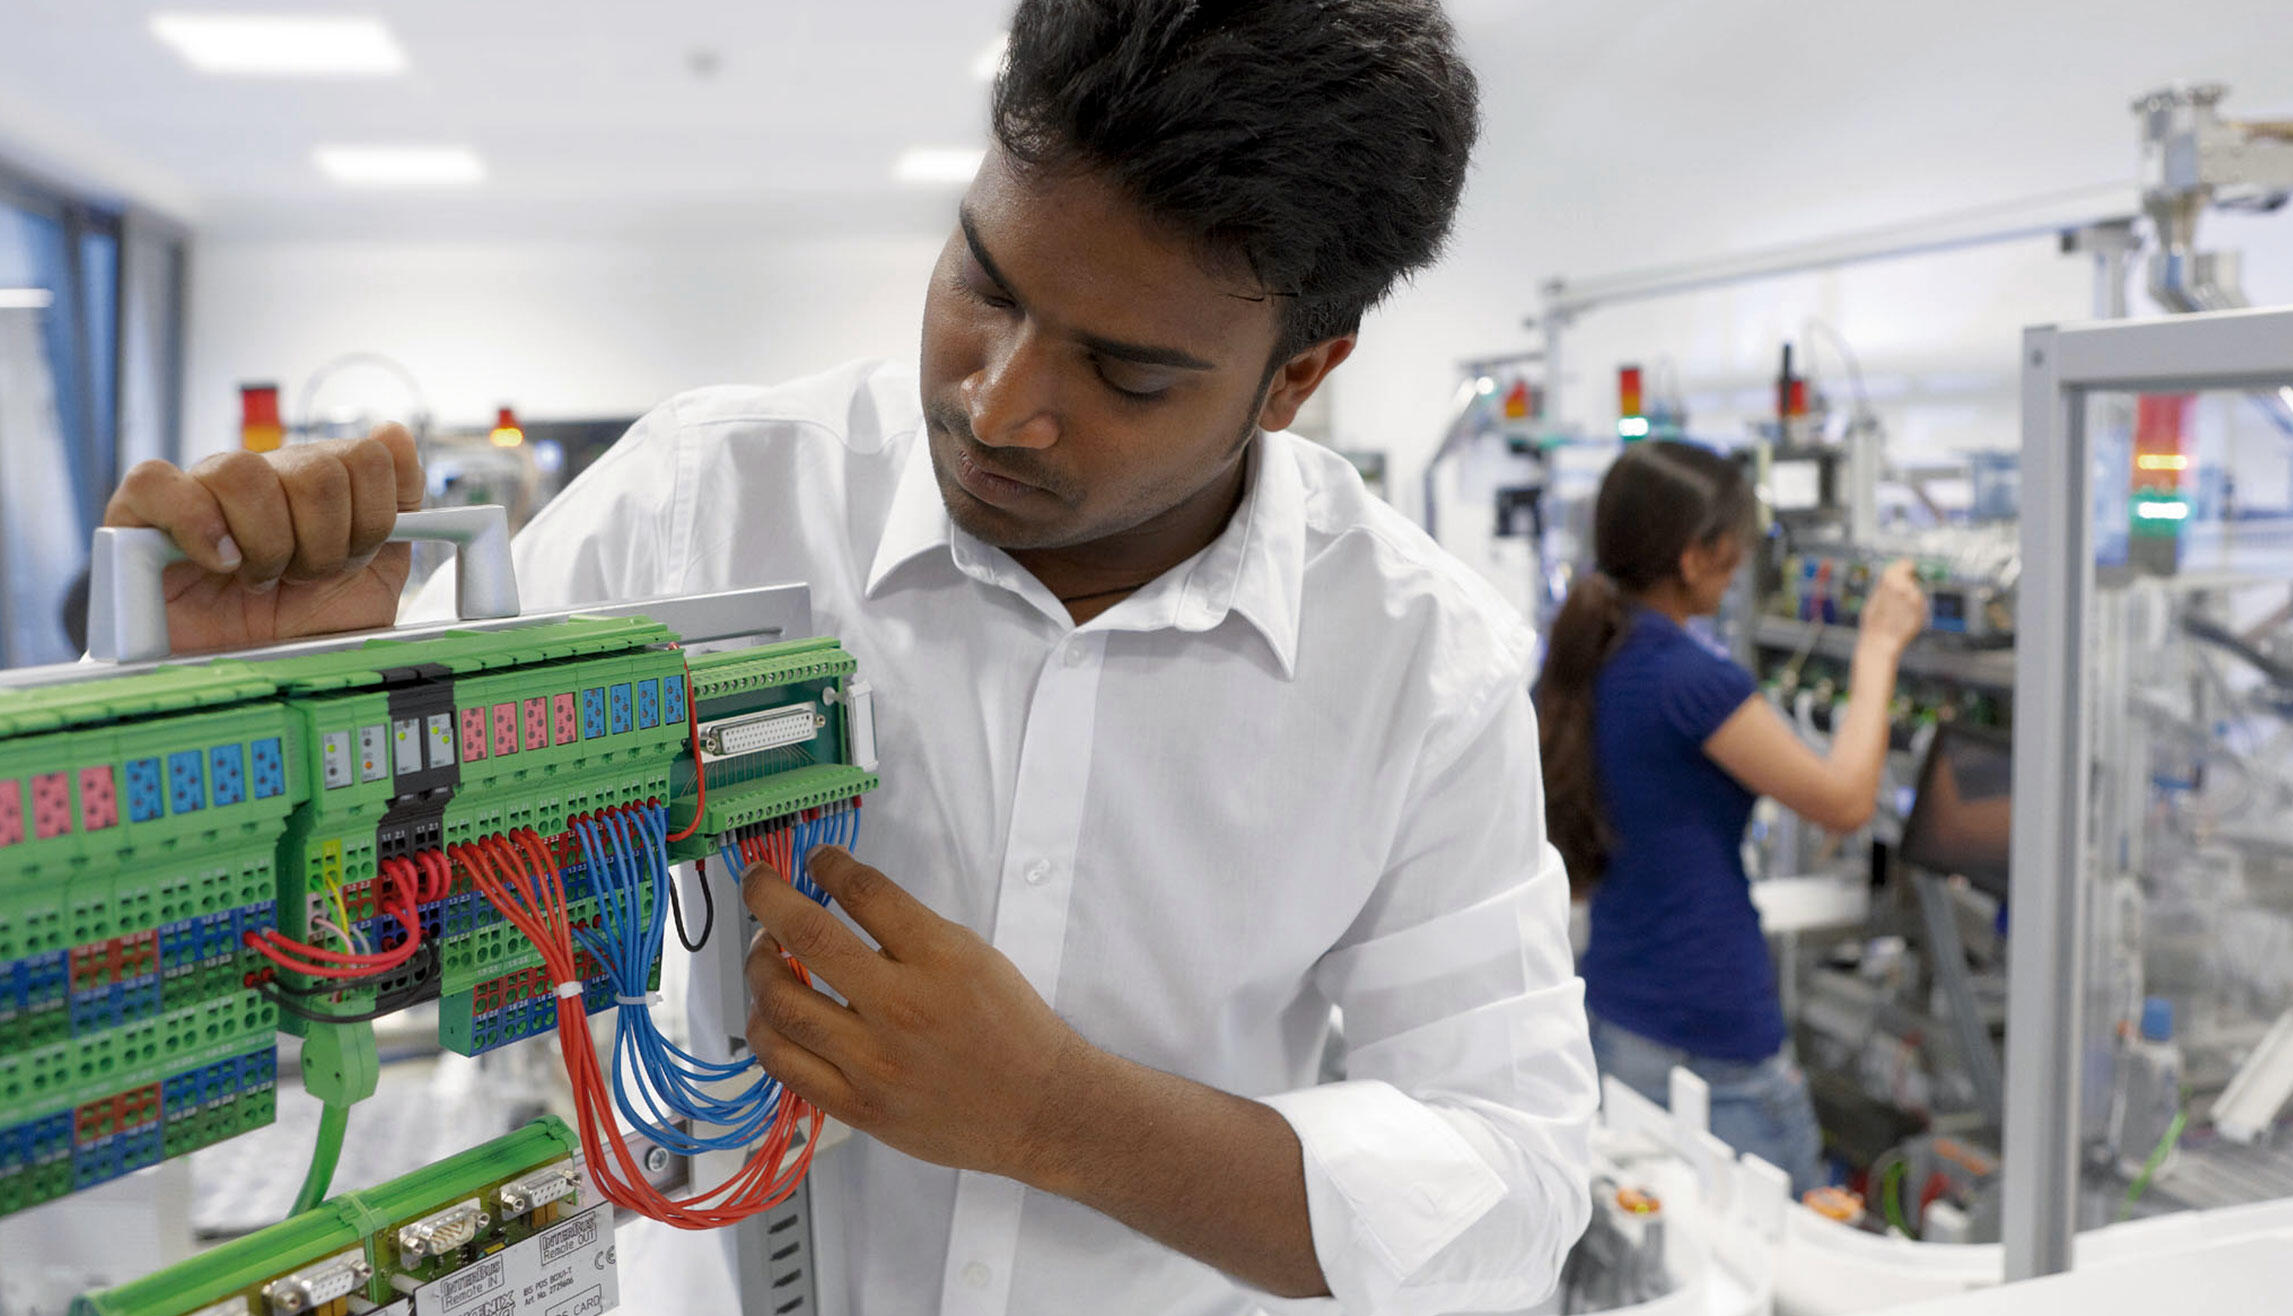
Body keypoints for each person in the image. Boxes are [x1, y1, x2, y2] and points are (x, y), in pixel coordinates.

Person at [99, 2, 1599, 1312]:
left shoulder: (1419, 659)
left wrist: (1060, 1116)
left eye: (1127, 372)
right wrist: (239, 698)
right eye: (986, 284)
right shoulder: (708, 498)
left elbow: (1515, 1181)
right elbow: (358, 894)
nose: (1000, 405)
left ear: (1300, 378)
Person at [1535, 440, 1926, 1194]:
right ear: (1694, 556)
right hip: (1710, 1029)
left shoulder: (1592, 654)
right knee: (1780, 1259)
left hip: (1619, 1012)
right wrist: (1878, 646)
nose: (1745, 562)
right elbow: (1844, 801)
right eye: (1737, 545)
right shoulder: (1689, 680)